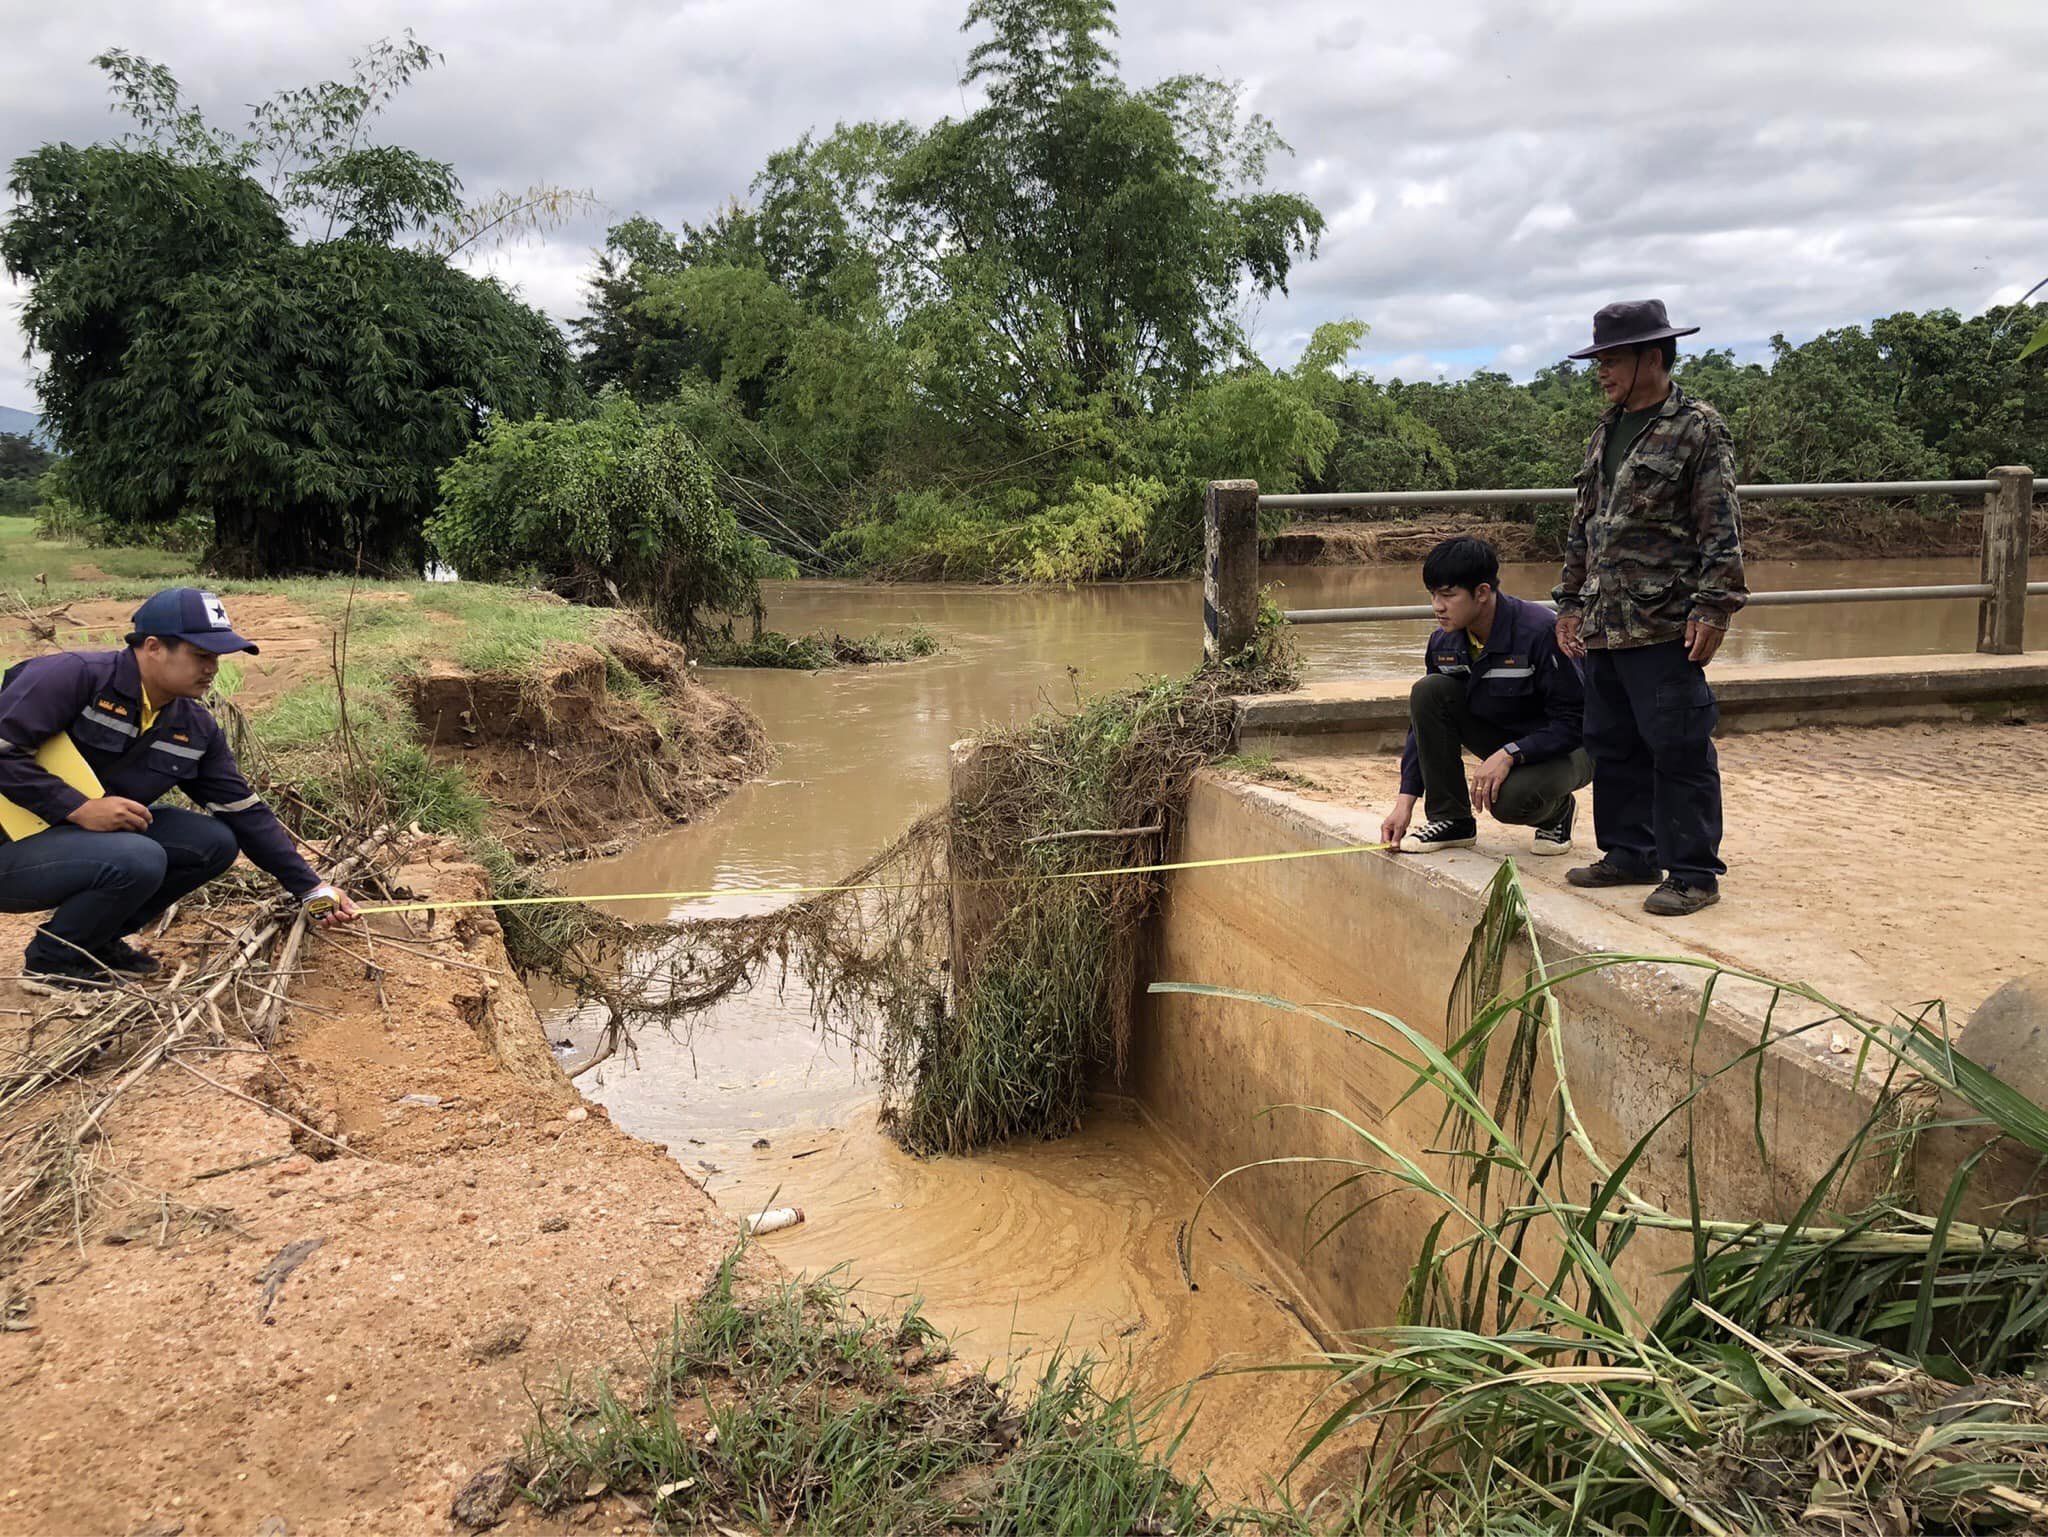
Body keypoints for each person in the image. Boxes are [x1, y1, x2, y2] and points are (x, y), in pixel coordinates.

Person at [0, 587, 359, 986]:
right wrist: (78, 807)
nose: (212, 669)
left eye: (216, 658)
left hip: (75, 846)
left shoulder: (192, 726)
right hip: (11, 853)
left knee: (213, 841)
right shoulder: (71, 677)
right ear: (153, 647)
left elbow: (243, 810)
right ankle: (52, 963)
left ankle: (93, 940)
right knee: (139, 856)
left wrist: (309, 888)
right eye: (201, 655)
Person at [1552, 299, 1747, 916]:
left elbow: (1720, 527)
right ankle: (1629, 853)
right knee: (1610, 741)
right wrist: (1568, 603)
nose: (1602, 371)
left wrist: (1714, 606)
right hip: (1605, 621)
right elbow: (1584, 528)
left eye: (1612, 359)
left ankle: (1692, 871)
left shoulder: (1697, 429)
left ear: (1653, 357)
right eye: (1599, 359)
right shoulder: (1604, 433)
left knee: (1678, 743)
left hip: (1665, 620)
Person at [1381, 536, 1592, 857]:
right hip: (1508, 741)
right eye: (1433, 595)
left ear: (1482, 593)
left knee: (1509, 802)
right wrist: (1404, 800)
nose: (1437, 606)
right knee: (1429, 691)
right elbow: (1422, 727)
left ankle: (1558, 812)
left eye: (1448, 595)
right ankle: (1452, 820)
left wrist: (1510, 753)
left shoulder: (1540, 632)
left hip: (1573, 748)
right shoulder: (1444, 643)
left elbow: (1578, 721)